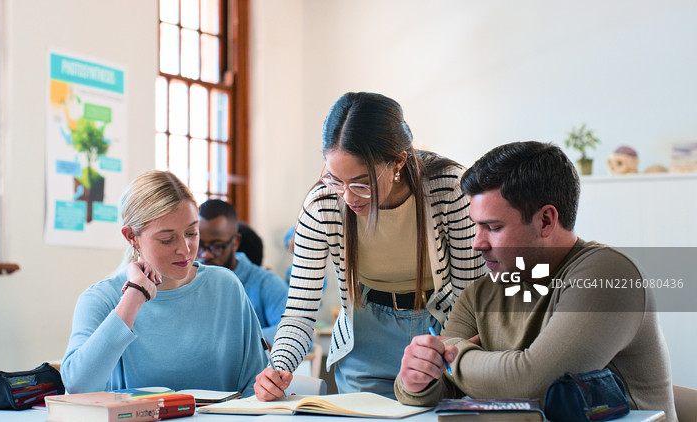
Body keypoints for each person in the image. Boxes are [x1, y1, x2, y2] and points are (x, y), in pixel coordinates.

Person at [394, 141, 677, 420]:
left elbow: (535, 385)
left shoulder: (610, 274)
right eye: (476, 227)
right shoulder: (479, 294)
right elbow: (441, 390)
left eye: (493, 227)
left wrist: (454, 354)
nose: (477, 244)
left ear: (545, 221)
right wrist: (417, 378)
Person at [254, 92, 486, 401]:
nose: (348, 198)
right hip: (366, 339)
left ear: (398, 162)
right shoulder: (322, 205)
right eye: (336, 180)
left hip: (442, 330)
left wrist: (445, 352)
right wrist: (277, 368)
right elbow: (299, 312)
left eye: (362, 183)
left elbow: (471, 295)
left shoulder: (448, 189)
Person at [60, 170, 267, 397]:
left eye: (191, 232)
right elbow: (78, 386)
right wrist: (133, 297)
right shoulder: (101, 299)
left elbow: (255, 383)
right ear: (131, 236)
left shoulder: (226, 287)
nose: (185, 249)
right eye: (167, 239)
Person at [197, 199, 288, 345]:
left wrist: (235, 343)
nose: (206, 255)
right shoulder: (186, 281)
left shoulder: (266, 283)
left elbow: (294, 334)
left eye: (217, 246)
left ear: (235, 242)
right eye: (199, 246)